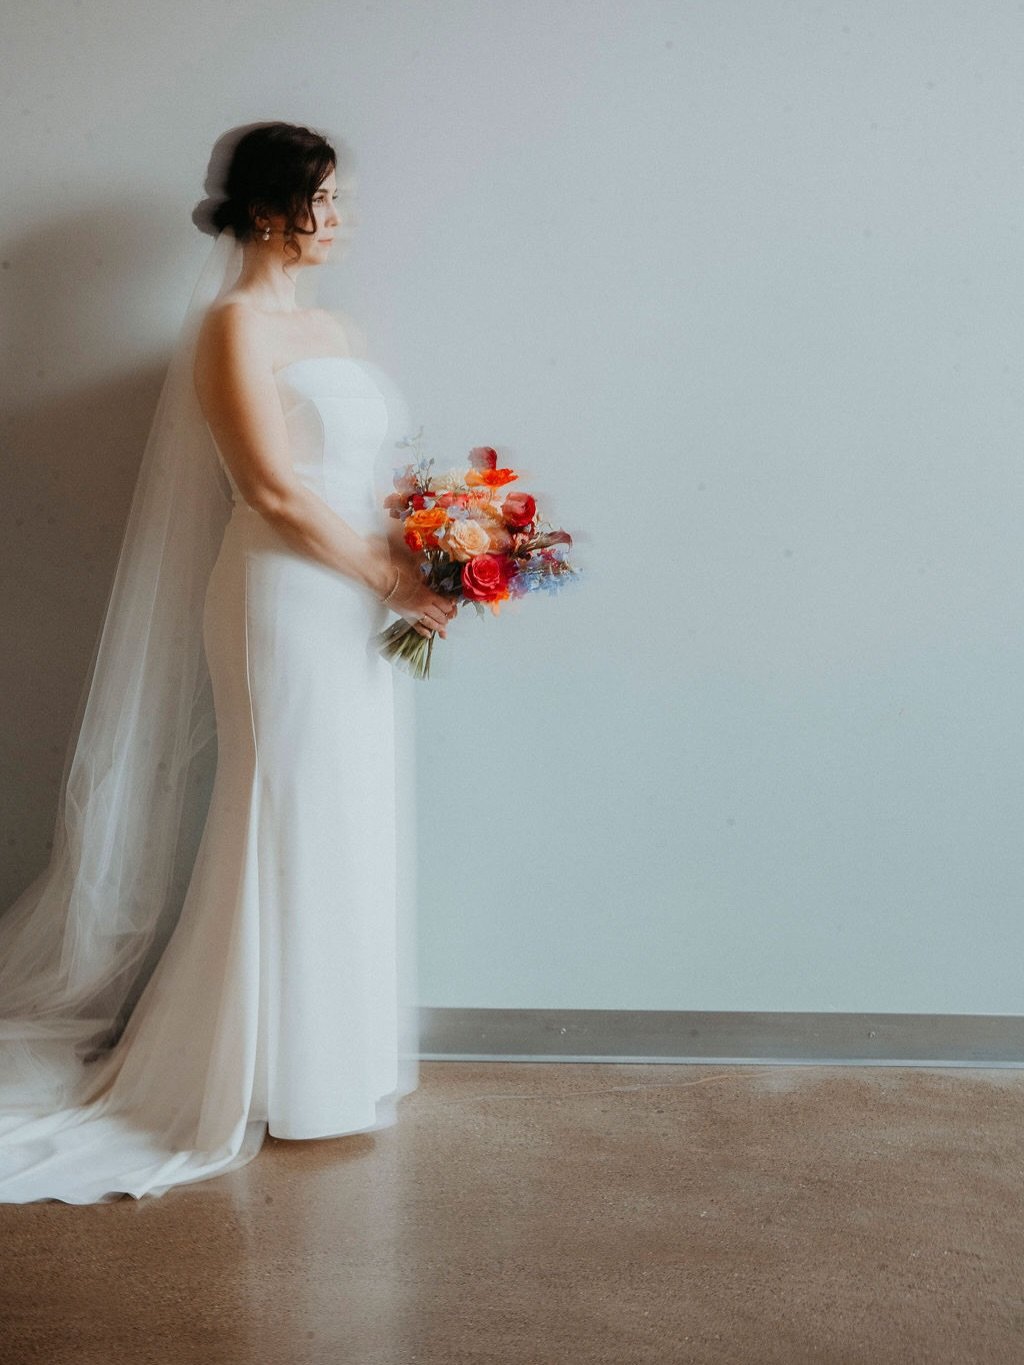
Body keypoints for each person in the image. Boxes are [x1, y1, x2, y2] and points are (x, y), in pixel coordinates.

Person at [0, 121, 451, 1203]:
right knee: (281, 810)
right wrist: (388, 580)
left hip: (351, 597)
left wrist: (440, 551)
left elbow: (361, 473)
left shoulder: (331, 328)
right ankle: (249, 1071)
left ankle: (331, 1068)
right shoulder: (230, 327)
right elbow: (272, 491)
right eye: (323, 200)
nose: (338, 219)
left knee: (346, 811)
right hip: (283, 601)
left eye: (340, 200)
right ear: (265, 209)